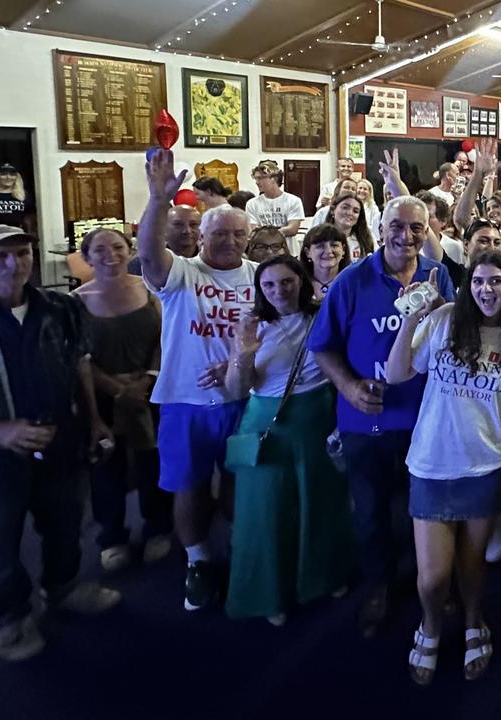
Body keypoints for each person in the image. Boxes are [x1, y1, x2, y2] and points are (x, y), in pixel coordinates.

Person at [383, 251, 501, 685]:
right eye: (479, 281)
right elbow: (397, 373)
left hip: (487, 464)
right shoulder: (447, 319)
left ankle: (473, 620)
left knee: (472, 567)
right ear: (468, 286)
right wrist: (411, 315)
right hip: (432, 462)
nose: (487, 290)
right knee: (432, 578)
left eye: (497, 282)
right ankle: (430, 625)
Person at [308, 195, 456, 637]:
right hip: (365, 420)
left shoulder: (438, 275)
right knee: (370, 512)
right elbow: (322, 347)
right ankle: (379, 586)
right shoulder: (351, 281)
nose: (406, 236)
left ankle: (431, 584)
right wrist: (349, 386)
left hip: (427, 419)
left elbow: (450, 335)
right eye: (397, 226)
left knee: (428, 509)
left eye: (416, 228)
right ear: (382, 227)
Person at [0, 223, 121, 662]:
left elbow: (80, 363)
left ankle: (62, 586)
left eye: (23, 252)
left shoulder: (59, 307)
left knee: (66, 519)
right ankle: (8, 618)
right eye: (1, 256)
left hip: (60, 436)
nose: (16, 264)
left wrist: (94, 420)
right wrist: (1, 431)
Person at [138, 150, 258, 611]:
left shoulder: (260, 276)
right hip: (185, 401)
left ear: (248, 237)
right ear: (201, 235)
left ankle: (238, 552)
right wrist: (156, 199)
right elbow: (148, 250)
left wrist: (239, 364)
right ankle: (197, 560)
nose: (229, 241)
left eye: (238, 234)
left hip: (241, 402)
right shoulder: (181, 273)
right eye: (219, 233)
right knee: (188, 486)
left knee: (235, 486)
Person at [222, 255, 354, 626]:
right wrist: (241, 354)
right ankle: (269, 593)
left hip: (318, 417)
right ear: (259, 289)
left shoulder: (322, 316)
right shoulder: (252, 326)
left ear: (302, 281)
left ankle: (325, 576)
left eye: (287, 282)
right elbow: (236, 389)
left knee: (322, 501)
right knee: (266, 511)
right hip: (268, 422)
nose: (279, 291)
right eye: (269, 285)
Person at [74, 228, 172, 573]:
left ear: (129, 250)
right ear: (86, 256)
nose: (110, 255)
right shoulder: (77, 301)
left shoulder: (149, 291)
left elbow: (164, 340)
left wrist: (148, 379)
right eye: (99, 250)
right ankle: (113, 537)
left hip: (149, 393)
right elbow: (79, 357)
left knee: (153, 461)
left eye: (118, 247)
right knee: (106, 468)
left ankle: (159, 526)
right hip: (102, 398)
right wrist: (116, 389)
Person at [245, 160, 305, 251]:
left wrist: (266, 233)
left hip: (289, 252)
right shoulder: (252, 203)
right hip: (263, 253)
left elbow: (292, 229)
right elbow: (253, 231)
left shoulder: (293, 201)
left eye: (261, 178)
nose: (257, 182)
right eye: (256, 178)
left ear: (274, 178)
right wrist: (279, 231)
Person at [311, 193, 376, 262]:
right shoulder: (318, 236)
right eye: (345, 207)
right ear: (333, 210)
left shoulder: (367, 238)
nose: (350, 213)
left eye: (355, 211)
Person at [300, 224, 351, 300]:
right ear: (307, 252)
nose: (328, 251)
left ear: (343, 250)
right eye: (320, 246)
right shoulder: (299, 284)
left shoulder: (353, 282)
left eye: (334, 245)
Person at [0, 164, 35, 233]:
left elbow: (30, 217)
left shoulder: (24, 195)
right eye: (3, 174)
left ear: (17, 177)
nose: (8, 177)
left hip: (17, 234)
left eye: (12, 174)